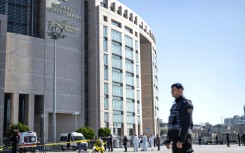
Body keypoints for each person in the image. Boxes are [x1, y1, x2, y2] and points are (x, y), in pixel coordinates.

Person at [165, 83, 194, 153]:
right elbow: (171, 123)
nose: (171, 92)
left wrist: (181, 140)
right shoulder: (174, 106)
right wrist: (168, 140)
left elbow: (186, 123)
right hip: (176, 139)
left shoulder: (186, 104)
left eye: (173, 90)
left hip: (184, 139)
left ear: (180, 90)